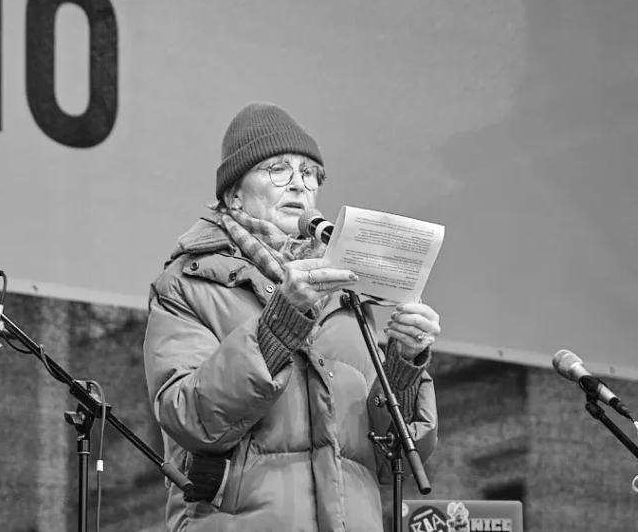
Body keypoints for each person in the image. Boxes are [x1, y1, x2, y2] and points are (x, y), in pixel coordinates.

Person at [144, 102, 440, 531]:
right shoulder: (186, 283)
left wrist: (404, 363)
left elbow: (388, 457)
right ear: (233, 194)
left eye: (310, 173)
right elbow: (190, 418)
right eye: (278, 169)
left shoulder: (346, 293)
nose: (299, 184)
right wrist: (281, 320)